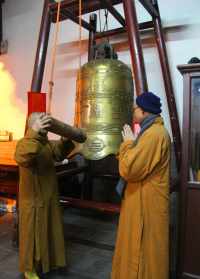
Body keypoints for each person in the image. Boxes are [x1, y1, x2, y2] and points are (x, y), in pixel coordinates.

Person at [111, 92, 171, 279]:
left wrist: (127, 144)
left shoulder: (153, 135)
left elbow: (130, 169)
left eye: (136, 107)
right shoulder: (149, 131)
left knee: (143, 254)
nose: (133, 110)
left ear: (145, 112)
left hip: (146, 205)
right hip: (140, 200)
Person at [15, 112, 75, 279]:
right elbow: (23, 156)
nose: (45, 128)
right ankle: (29, 269)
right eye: (41, 125)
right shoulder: (25, 143)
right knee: (31, 237)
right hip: (33, 201)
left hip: (48, 197)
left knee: (49, 232)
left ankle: (49, 263)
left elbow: (58, 153)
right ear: (33, 126)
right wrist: (34, 132)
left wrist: (65, 139)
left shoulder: (45, 143)